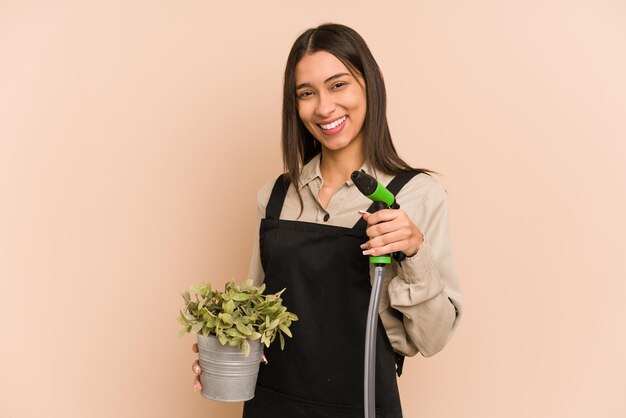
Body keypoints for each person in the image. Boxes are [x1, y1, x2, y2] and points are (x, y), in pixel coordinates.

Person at [191, 23, 463, 417]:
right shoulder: (275, 196)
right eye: (306, 93)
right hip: (272, 406)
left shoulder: (417, 196)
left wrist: (415, 251)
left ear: (370, 83)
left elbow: (432, 340)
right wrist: (219, 350)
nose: (323, 107)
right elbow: (253, 317)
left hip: (362, 405)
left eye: (338, 85)